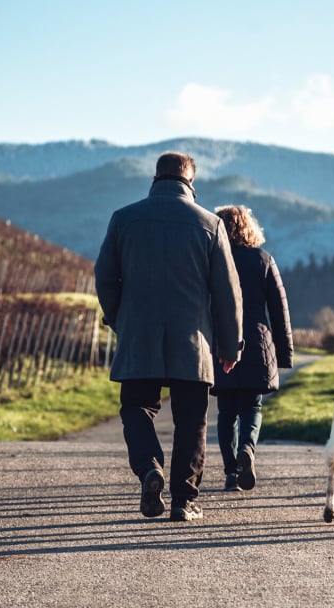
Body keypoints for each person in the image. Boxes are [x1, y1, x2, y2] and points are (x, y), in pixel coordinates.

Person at [95, 151, 244, 522]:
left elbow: (104, 277)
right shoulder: (210, 224)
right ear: (191, 182)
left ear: (155, 178)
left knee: (136, 408)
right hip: (193, 344)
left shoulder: (123, 219)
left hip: (139, 338)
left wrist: (119, 319)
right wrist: (230, 345)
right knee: (192, 420)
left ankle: (149, 468)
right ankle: (184, 500)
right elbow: (227, 292)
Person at [211, 205, 293, 492]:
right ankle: (247, 447)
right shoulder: (263, 259)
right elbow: (279, 311)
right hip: (257, 344)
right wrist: (283, 353)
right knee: (252, 406)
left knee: (225, 411)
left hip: (220, 342)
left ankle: (231, 472)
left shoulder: (213, 259)